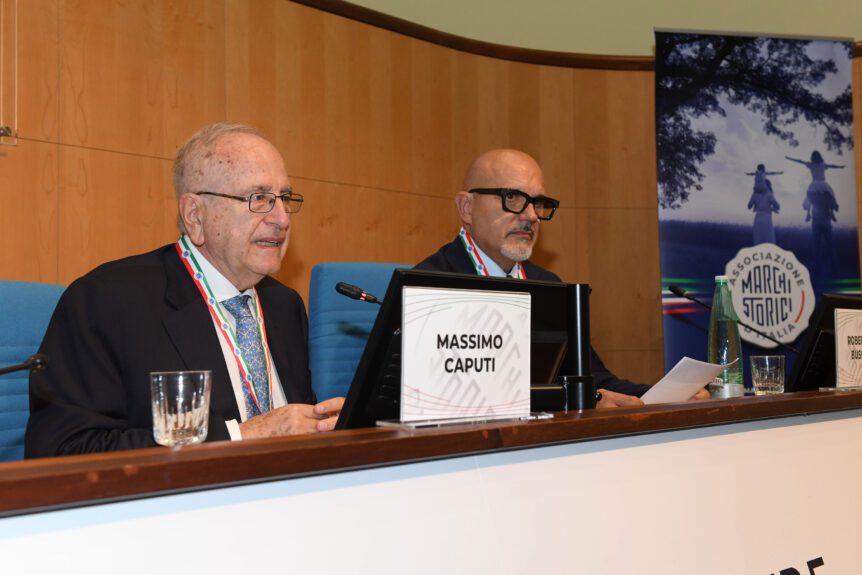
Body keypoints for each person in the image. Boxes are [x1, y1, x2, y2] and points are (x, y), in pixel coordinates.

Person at [25, 123, 344, 457]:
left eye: (284, 198)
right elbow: (64, 449)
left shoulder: (284, 305)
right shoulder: (106, 301)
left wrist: (328, 425)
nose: (282, 219)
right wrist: (242, 435)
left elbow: (293, 425)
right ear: (195, 215)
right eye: (259, 198)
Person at [415, 149, 709, 408]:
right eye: (512, 197)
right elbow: (436, 396)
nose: (531, 216)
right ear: (467, 207)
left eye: (537, 202)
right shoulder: (427, 286)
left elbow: (592, 379)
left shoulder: (549, 286)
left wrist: (662, 395)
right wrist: (580, 399)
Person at [786, 151, 843, 276]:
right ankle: (832, 213)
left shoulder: (811, 164)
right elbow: (832, 166)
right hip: (823, 184)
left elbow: (800, 161)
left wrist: (790, 158)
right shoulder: (823, 164)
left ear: (812, 157)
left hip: (814, 184)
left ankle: (807, 213)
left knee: (809, 198)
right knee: (831, 195)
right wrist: (840, 167)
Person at [745, 165, 781, 245]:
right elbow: (778, 206)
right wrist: (773, 208)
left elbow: (749, 206)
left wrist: (754, 200)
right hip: (767, 219)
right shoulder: (769, 195)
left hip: (757, 219)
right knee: (768, 241)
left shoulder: (754, 194)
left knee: (758, 241)